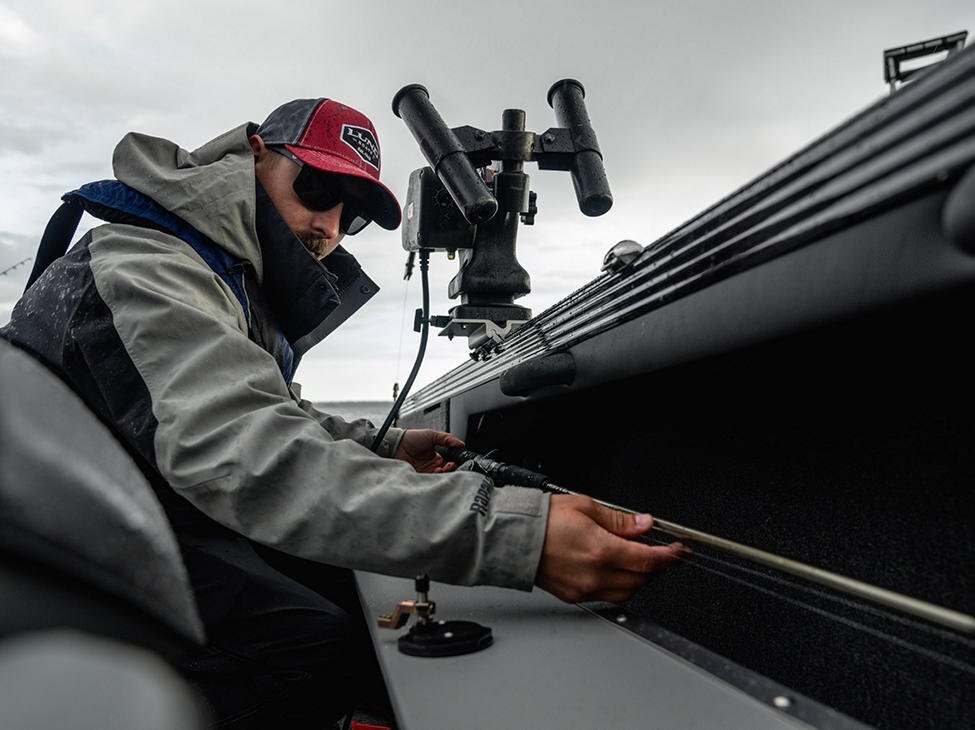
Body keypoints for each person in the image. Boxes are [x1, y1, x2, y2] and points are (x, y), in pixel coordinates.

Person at [1, 97, 682, 727]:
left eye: (349, 213)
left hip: (140, 506)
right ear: (254, 155)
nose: (328, 225)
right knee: (308, 646)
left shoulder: (223, 275)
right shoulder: (149, 262)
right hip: (53, 541)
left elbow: (268, 411)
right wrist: (513, 537)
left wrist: (384, 448)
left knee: (338, 597)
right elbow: (241, 450)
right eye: (318, 188)